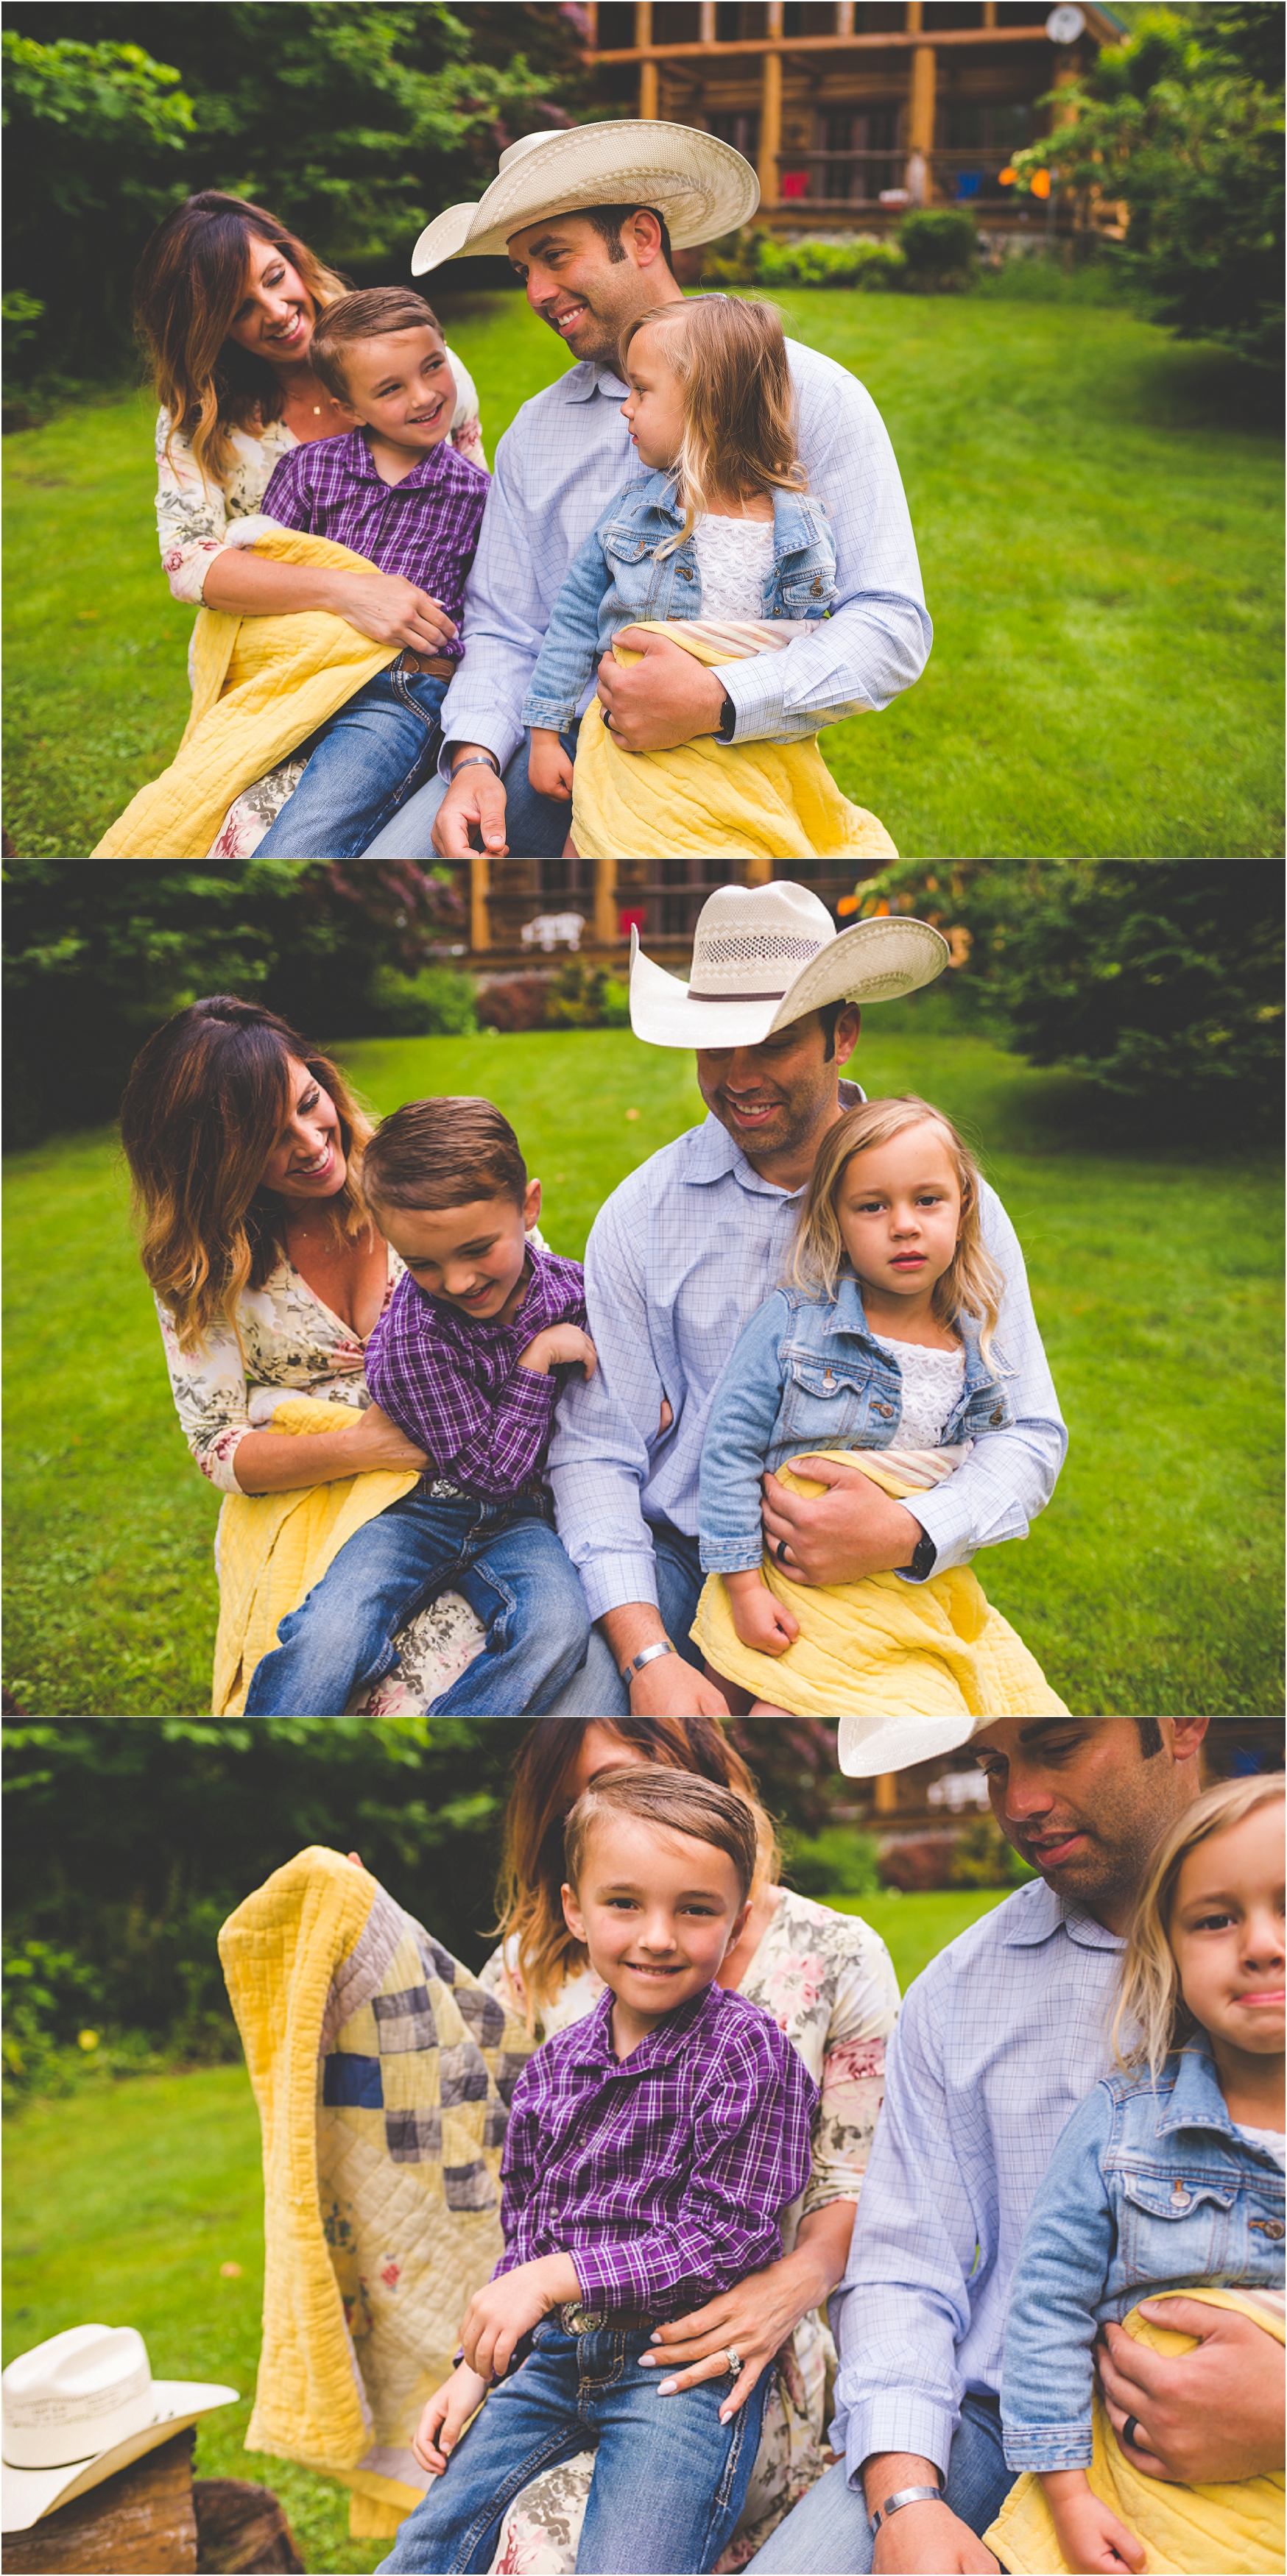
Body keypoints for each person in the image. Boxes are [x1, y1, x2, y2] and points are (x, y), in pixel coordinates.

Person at [748, 1717, 1287, 2576]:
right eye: (991, 1764)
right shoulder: (959, 1993)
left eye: (1057, 1745)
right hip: (1002, 2421)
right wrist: (905, 2498)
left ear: (1180, 1721)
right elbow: (901, 2267)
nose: (1020, 1802)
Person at [540, 878, 1067, 1719]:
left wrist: (906, 1530)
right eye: (714, 1046)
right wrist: (645, 1652)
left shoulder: (946, 1205)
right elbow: (599, 1450)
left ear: (842, 1034)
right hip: (683, 1553)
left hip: (879, 1555)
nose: (737, 1078)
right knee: (596, 1717)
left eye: (771, 1042)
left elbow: (1027, 1432)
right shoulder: (640, 1216)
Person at [356, 121, 929, 860]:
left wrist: (716, 701)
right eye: (520, 269)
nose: (534, 291)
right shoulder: (536, 431)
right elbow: (506, 626)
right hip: (551, 754)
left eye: (554, 256)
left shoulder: (807, 394)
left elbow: (887, 623)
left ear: (641, 237)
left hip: (734, 760)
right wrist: (473, 761)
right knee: (395, 862)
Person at [477, 1716, 899, 2572]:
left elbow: (858, 2178)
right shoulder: (531, 1969)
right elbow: (517, 2197)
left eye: (655, 1775)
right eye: (598, 1794)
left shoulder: (833, 1951)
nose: (643, 1811)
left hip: (729, 2354)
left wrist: (786, 2286)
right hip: (563, 2353)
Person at [379, 1766, 817, 2576]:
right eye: (624, 1903)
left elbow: (726, 2237)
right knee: (425, 2549)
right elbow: (528, 2237)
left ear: (738, 1918)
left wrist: (558, 2275)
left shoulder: (745, 2053)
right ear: (574, 1909)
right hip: (551, 2362)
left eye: (694, 1908)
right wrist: (475, 2371)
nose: (658, 1935)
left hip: (676, 2370)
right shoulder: (553, 2071)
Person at [119, 996, 494, 1715]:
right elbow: (216, 1444)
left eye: (309, 1101)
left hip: (475, 1484)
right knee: (350, 1677)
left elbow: (528, 1292)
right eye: (267, 1136)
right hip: (318, 1498)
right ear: (213, 1159)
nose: (310, 1140)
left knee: (543, 1649)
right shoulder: (199, 1262)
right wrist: (367, 1446)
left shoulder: (417, 1172)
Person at [989, 1769, 1285, 2576]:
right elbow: (1045, 2308)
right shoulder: (1122, 2123)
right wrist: (1066, 2496)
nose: (1261, 1943)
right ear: (1169, 1951)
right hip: (1137, 2513)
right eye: (1216, 1919)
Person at [131, 191, 484, 852]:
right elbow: (190, 562)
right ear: (206, 328)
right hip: (282, 666)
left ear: (293, 258)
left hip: (404, 677)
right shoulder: (202, 414)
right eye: (240, 310)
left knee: (310, 825)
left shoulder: (416, 368)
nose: (277, 312)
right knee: (212, 826)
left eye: (275, 278)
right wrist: (348, 590)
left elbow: (473, 519)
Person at [692, 1096, 1067, 1718]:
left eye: (927, 1200)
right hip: (786, 1580)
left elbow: (1002, 1449)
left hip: (900, 1585)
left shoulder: (975, 1335)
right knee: (750, 1714)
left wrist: (910, 1531)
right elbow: (728, 1450)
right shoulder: (794, 1324)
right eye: (873, 1207)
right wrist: (744, 1588)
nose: (904, 1225)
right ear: (835, 1220)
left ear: (963, 1206)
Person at [241, 1097, 593, 1716]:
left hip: (523, 1521)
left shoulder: (565, 1285)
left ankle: (450, 1737)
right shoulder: (411, 1340)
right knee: (329, 1635)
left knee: (557, 1628)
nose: (459, 1282)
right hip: (421, 1509)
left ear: (529, 1207)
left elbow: (622, 1361)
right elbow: (490, 1472)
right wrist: (536, 1362)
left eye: (478, 1249)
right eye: (424, 1263)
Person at [523, 297, 895, 862]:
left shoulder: (800, 531)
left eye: (642, 391)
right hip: (627, 753)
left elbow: (813, 643)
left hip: (743, 754)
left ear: (710, 408)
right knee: (593, 848)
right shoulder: (634, 515)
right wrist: (546, 734)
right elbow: (574, 618)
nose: (626, 408)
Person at [247, 289, 488, 857]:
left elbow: (484, 616)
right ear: (350, 409)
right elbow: (268, 575)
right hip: (300, 678)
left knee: (301, 843)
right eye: (391, 389)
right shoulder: (308, 472)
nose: (426, 396)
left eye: (433, 368)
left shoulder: (478, 496)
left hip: (397, 694)